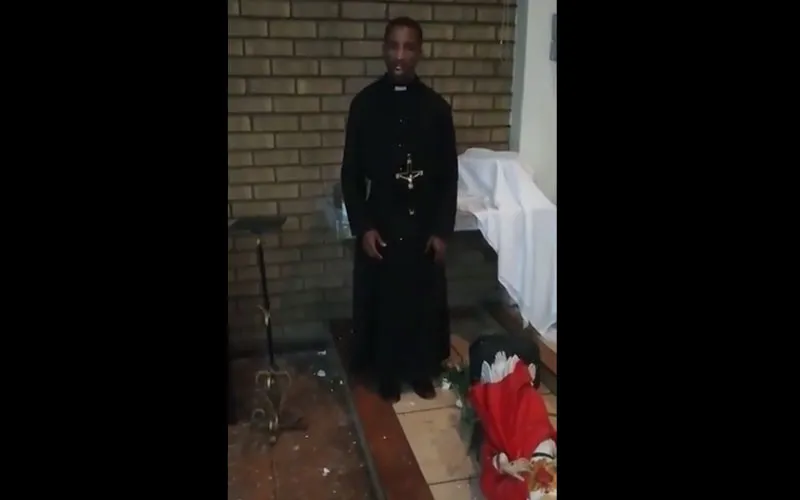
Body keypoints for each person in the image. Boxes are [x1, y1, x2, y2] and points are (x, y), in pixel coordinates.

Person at [341, 17, 458, 403]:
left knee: (422, 304)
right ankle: (387, 374)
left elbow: (448, 176)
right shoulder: (365, 105)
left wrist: (441, 231)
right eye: (393, 46)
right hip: (383, 223)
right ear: (384, 49)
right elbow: (350, 174)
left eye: (409, 47)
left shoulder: (437, 109)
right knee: (386, 305)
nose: (400, 55)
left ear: (419, 53)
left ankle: (421, 371)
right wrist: (364, 227)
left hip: (423, 225)